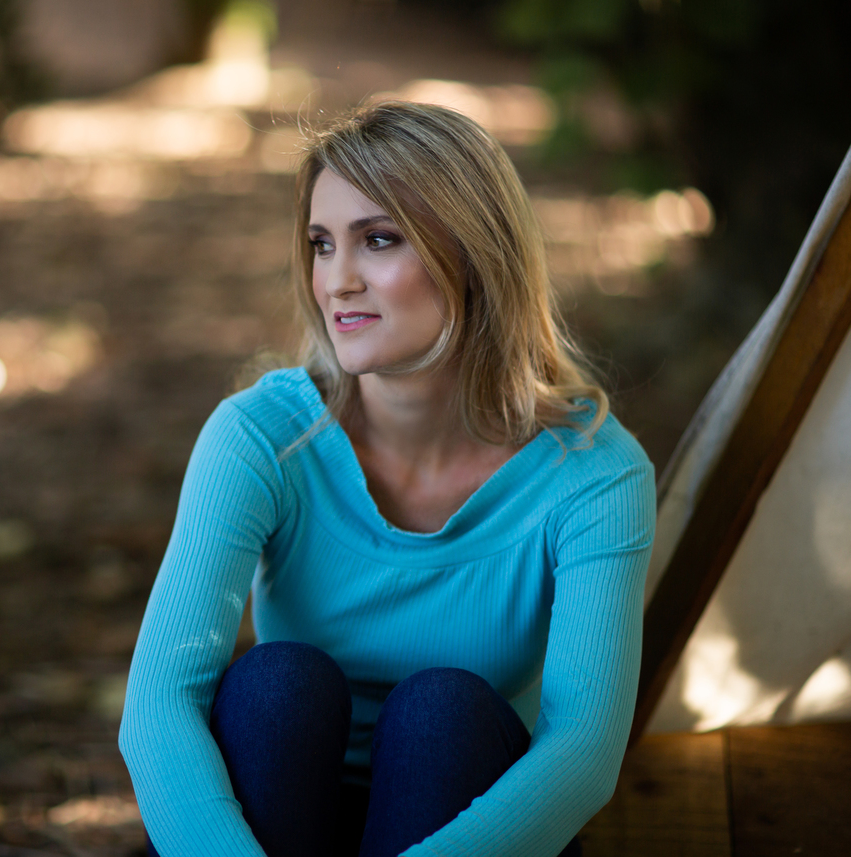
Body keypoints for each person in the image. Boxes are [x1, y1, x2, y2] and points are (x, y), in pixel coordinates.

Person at [118, 101, 656, 856]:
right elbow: (158, 707)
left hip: (462, 816)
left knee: (443, 710)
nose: (336, 281)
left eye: (377, 240)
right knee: (276, 684)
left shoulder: (594, 475)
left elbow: (582, 754)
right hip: (272, 822)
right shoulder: (262, 437)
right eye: (321, 244)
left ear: (474, 254)